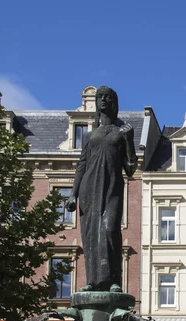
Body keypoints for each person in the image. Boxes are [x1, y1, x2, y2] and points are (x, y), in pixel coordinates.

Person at [66, 86, 137, 292]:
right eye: (100, 97)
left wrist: (130, 141)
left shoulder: (122, 132)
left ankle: (113, 280)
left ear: (114, 102)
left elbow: (131, 169)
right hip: (90, 188)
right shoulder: (90, 136)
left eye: (107, 97)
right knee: (90, 235)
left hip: (112, 188)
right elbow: (82, 165)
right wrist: (73, 194)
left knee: (109, 229)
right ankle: (93, 281)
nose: (103, 100)